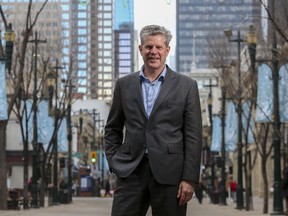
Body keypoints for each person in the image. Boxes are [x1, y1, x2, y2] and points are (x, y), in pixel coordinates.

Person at [104, 25, 202, 216]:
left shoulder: (187, 86)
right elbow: (112, 129)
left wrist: (189, 178)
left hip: (170, 173)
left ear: (167, 50)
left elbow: (193, 135)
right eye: (149, 47)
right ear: (140, 49)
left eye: (158, 47)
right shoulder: (124, 85)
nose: (153, 52)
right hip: (131, 170)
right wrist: (114, 161)